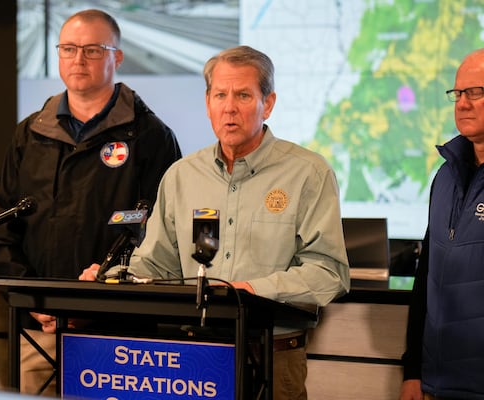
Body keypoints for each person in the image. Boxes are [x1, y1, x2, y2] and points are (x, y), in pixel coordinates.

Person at [81, 45, 350, 400]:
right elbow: (156, 263)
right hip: (191, 357)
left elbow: (329, 271)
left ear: (267, 104)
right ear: (208, 102)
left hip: (271, 355)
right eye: (220, 95)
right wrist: (112, 278)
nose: (229, 107)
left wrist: (252, 292)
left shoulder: (307, 172)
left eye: (243, 95)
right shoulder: (182, 175)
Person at [0, 9, 181, 396]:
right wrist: (36, 301)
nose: (78, 60)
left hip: (122, 336)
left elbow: (166, 237)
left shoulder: (151, 136)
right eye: (69, 49)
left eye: (93, 50)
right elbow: (2, 226)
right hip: (38, 332)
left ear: (117, 57)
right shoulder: (29, 134)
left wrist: (97, 300)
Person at [399, 48, 484, 400]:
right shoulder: (446, 175)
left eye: (475, 92)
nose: (462, 103)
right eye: (458, 93)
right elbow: (427, 275)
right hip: (438, 384)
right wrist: (413, 371)